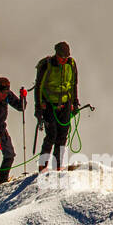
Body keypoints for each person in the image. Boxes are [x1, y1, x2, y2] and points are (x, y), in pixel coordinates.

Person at [34, 41, 80, 172]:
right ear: (56, 54)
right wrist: (38, 107)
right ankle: (43, 166)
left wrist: (75, 102)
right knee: (51, 135)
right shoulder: (46, 65)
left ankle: (57, 165)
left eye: (66, 57)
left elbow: (73, 84)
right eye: (61, 57)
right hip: (49, 105)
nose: (64, 60)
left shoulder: (71, 64)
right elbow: (39, 87)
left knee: (63, 134)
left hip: (65, 104)